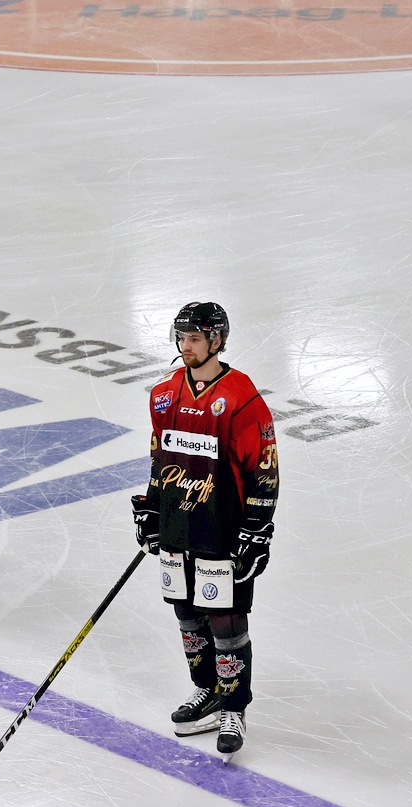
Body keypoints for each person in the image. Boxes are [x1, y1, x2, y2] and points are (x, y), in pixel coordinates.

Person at [132, 302, 278, 755]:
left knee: (224, 617)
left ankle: (233, 707)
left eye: (194, 338)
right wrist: (152, 508)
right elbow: (160, 458)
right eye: (181, 338)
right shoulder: (164, 394)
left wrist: (257, 530)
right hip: (180, 522)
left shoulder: (241, 397)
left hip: (222, 527)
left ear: (217, 340)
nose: (185, 346)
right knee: (186, 611)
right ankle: (207, 689)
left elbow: (264, 468)